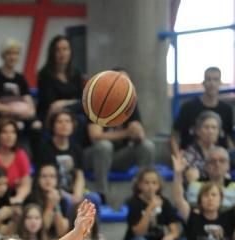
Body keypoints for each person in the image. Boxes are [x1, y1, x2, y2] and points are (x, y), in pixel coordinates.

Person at [83, 68, 154, 204]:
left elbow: (139, 135)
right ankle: (101, 194)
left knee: (147, 146)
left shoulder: (130, 104)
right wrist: (126, 133)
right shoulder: (97, 101)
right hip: (94, 157)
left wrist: (138, 133)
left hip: (118, 157)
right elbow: (95, 136)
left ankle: (141, 193)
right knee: (104, 146)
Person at [172, 154, 235, 240]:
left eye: (214, 195)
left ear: (221, 199)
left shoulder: (228, 219)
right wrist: (178, 174)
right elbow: (178, 199)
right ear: (200, 200)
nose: (210, 199)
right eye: (206, 195)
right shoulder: (193, 217)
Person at [122, 167, 187, 240]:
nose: (150, 186)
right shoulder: (133, 203)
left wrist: (171, 236)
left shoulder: (164, 202)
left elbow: (175, 229)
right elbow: (138, 233)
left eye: (154, 183)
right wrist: (150, 208)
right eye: (146, 183)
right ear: (139, 185)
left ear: (159, 186)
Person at [0, 38, 41, 156]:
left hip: (20, 114)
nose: (12, 57)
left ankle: (36, 160)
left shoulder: (20, 78)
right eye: (9, 53)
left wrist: (29, 111)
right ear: (3, 56)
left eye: (15, 54)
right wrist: (11, 110)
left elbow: (29, 102)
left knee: (37, 125)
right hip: (2, 114)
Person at [171, 66, 234, 156]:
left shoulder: (227, 110)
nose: (212, 83)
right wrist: (178, 157)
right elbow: (174, 136)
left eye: (215, 79)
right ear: (203, 83)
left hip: (218, 161)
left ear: (220, 83)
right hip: (191, 158)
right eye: (208, 79)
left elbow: (228, 138)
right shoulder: (188, 107)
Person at [37, 109, 86, 210]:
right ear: (53, 126)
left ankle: (92, 226)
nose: (64, 125)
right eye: (60, 122)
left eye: (67, 121)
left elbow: (79, 175)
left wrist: (77, 194)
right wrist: (68, 196)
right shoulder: (45, 148)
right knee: (67, 202)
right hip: (53, 191)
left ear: (73, 125)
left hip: (73, 191)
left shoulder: (76, 148)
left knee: (94, 199)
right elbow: (46, 177)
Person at [36, 35, 84, 127]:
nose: (62, 53)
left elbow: (81, 99)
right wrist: (72, 102)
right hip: (51, 114)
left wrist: (64, 103)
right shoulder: (44, 74)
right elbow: (51, 103)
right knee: (74, 120)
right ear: (52, 53)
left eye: (65, 49)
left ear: (70, 52)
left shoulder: (76, 73)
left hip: (73, 111)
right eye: (58, 50)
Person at [27, 164, 70, 239]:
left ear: (57, 180)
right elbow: (41, 229)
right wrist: (50, 206)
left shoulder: (63, 200)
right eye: (44, 176)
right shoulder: (31, 199)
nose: (48, 180)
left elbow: (62, 232)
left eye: (52, 176)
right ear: (38, 179)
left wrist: (56, 204)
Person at [182, 111, 224, 183]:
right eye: (206, 127)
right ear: (198, 131)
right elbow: (192, 177)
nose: (210, 131)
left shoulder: (221, 152)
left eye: (214, 127)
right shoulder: (190, 153)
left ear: (218, 132)